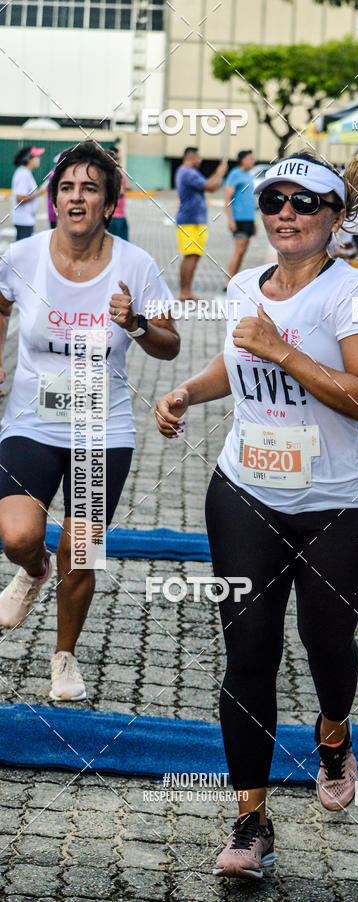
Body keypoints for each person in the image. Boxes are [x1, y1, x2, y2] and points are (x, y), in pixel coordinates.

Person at [155, 150, 358, 880]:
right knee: (249, 655)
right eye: (274, 200)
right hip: (245, 494)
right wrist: (189, 393)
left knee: (327, 646)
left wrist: (283, 350)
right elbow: (237, 363)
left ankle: (332, 733)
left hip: (339, 505)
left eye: (305, 202)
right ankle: (250, 821)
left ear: (337, 217)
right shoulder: (242, 286)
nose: (286, 213)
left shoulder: (354, 295)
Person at [0, 141, 180, 701]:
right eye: (67, 188)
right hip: (31, 421)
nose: (77, 197)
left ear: (108, 203)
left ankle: (64, 656)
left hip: (102, 429)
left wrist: (137, 322)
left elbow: (169, 346)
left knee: (82, 549)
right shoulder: (21, 257)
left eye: (90, 188)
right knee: (18, 536)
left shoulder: (135, 265)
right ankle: (32, 571)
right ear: (54, 200)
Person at [175, 147, 228, 300]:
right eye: (199, 157)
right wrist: (220, 172)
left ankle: (186, 291)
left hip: (194, 220)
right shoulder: (189, 173)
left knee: (193, 255)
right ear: (192, 157)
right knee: (191, 255)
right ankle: (184, 291)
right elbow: (211, 187)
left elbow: (210, 184)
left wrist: (218, 175)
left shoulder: (186, 172)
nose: (201, 160)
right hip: (191, 221)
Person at [224, 150, 256, 286]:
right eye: (250, 158)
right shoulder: (234, 174)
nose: (253, 160)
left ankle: (235, 279)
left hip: (249, 219)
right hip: (239, 220)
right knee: (238, 250)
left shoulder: (248, 176)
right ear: (243, 160)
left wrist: (254, 222)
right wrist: (231, 220)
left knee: (243, 251)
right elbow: (227, 198)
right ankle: (228, 282)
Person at [11, 146, 47, 241]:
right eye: (37, 157)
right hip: (23, 220)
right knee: (22, 252)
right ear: (29, 159)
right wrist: (39, 193)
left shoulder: (25, 172)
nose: (39, 159)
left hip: (26, 220)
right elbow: (19, 198)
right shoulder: (23, 174)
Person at [106, 146, 130, 241]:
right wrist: (122, 188)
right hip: (113, 216)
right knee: (113, 244)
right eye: (118, 158)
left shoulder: (119, 171)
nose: (119, 160)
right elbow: (120, 191)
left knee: (124, 244)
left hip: (121, 214)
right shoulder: (109, 173)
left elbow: (128, 186)